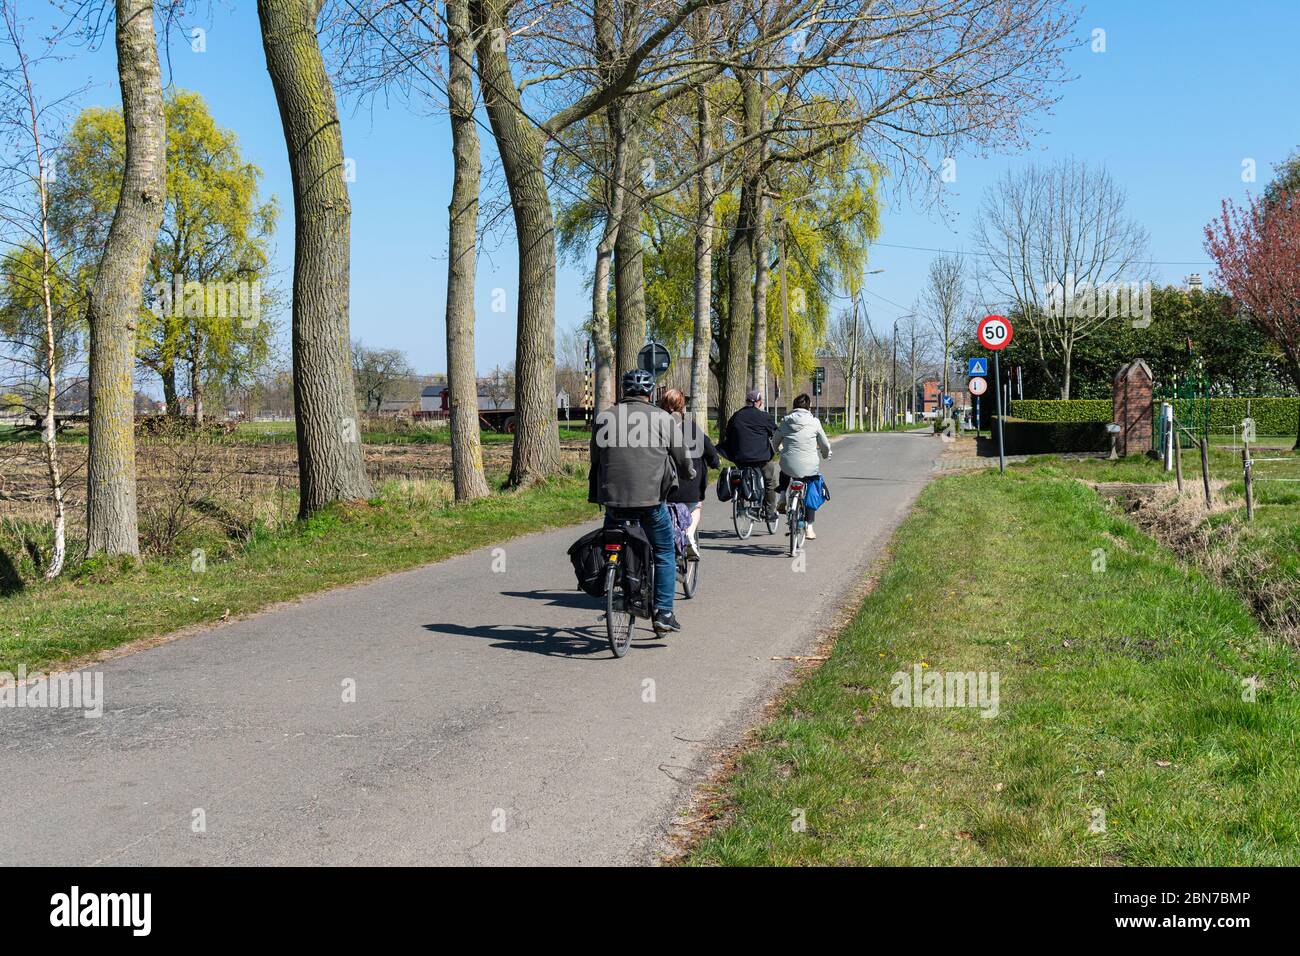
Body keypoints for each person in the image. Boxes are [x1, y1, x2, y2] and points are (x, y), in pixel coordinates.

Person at [589, 369, 694, 633]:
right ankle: (664, 613)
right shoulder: (663, 419)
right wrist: (688, 473)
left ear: (624, 390)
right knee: (664, 551)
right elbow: (681, 457)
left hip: (614, 500)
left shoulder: (604, 418)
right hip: (651, 501)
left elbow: (596, 457)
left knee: (612, 540)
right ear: (650, 392)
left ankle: (616, 574)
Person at [658, 388, 719, 558]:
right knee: (696, 506)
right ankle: (689, 534)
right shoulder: (692, 429)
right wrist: (715, 463)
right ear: (682, 406)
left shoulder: (655, 427)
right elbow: (710, 451)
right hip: (690, 489)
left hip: (663, 488)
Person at [775, 393, 831, 539]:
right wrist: (826, 454)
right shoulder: (815, 422)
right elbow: (825, 445)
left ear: (794, 406)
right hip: (809, 467)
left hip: (788, 464)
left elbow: (775, 442)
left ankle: (782, 496)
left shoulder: (785, 421)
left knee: (784, 470)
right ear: (809, 406)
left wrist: (778, 450)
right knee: (812, 487)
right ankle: (809, 527)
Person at [719, 388, 779, 514]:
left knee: (741, 476)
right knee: (770, 481)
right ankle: (770, 512)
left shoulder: (736, 416)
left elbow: (728, 434)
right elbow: (775, 432)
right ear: (759, 402)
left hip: (741, 458)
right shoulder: (764, 416)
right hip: (761, 458)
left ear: (746, 401)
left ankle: (740, 503)